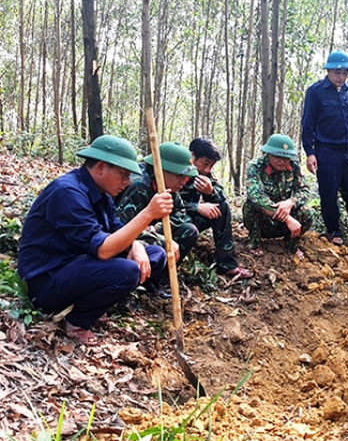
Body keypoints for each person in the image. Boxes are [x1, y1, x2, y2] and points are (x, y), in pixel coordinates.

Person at [17, 135, 173, 345]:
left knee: (155, 255)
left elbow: (116, 229)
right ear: (100, 168)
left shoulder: (102, 195)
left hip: (78, 264)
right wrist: (148, 214)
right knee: (128, 270)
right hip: (46, 282)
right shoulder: (67, 192)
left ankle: (94, 301)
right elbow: (103, 250)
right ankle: (76, 322)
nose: (127, 182)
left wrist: (136, 244)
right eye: (123, 174)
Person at [301, 50, 348, 245]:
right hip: (326, 151)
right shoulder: (316, 92)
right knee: (329, 193)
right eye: (337, 72)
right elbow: (307, 124)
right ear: (328, 71)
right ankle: (334, 232)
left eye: (345, 73)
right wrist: (310, 153)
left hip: (347, 151)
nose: (341, 77)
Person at [116, 142, 199, 270]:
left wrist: (155, 228)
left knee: (189, 230)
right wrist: (162, 239)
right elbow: (121, 226)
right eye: (179, 176)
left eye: (186, 177)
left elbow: (180, 211)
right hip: (126, 238)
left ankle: (163, 275)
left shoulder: (169, 185)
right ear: (161, 170)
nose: (184, 181)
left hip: (149, 230)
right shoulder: (138, 185)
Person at [180, 138, 253, 278]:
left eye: (211, 166)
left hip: (188, 217)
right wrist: (196, 207)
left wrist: (210, 192)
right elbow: (166, 202)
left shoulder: (204, 174)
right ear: (192, 156)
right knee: (187, 227)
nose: (207, 170)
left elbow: (221, 196)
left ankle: (227, 264)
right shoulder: (176, 169)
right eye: (205, 164)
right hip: (171, 221)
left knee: (222, 208)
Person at [243, 134, 313, 260]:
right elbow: (255, 195)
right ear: (268, 154)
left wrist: (290, 202)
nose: (282, 161)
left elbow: (304, 190)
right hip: (263, 221)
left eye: (286, 158)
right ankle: (255, 243)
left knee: (307, 213)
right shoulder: (255, 167)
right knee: (250, 206)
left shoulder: (294, 166)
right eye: (277, 157)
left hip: (285, 224)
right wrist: (287, 218)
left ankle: (291, 244)